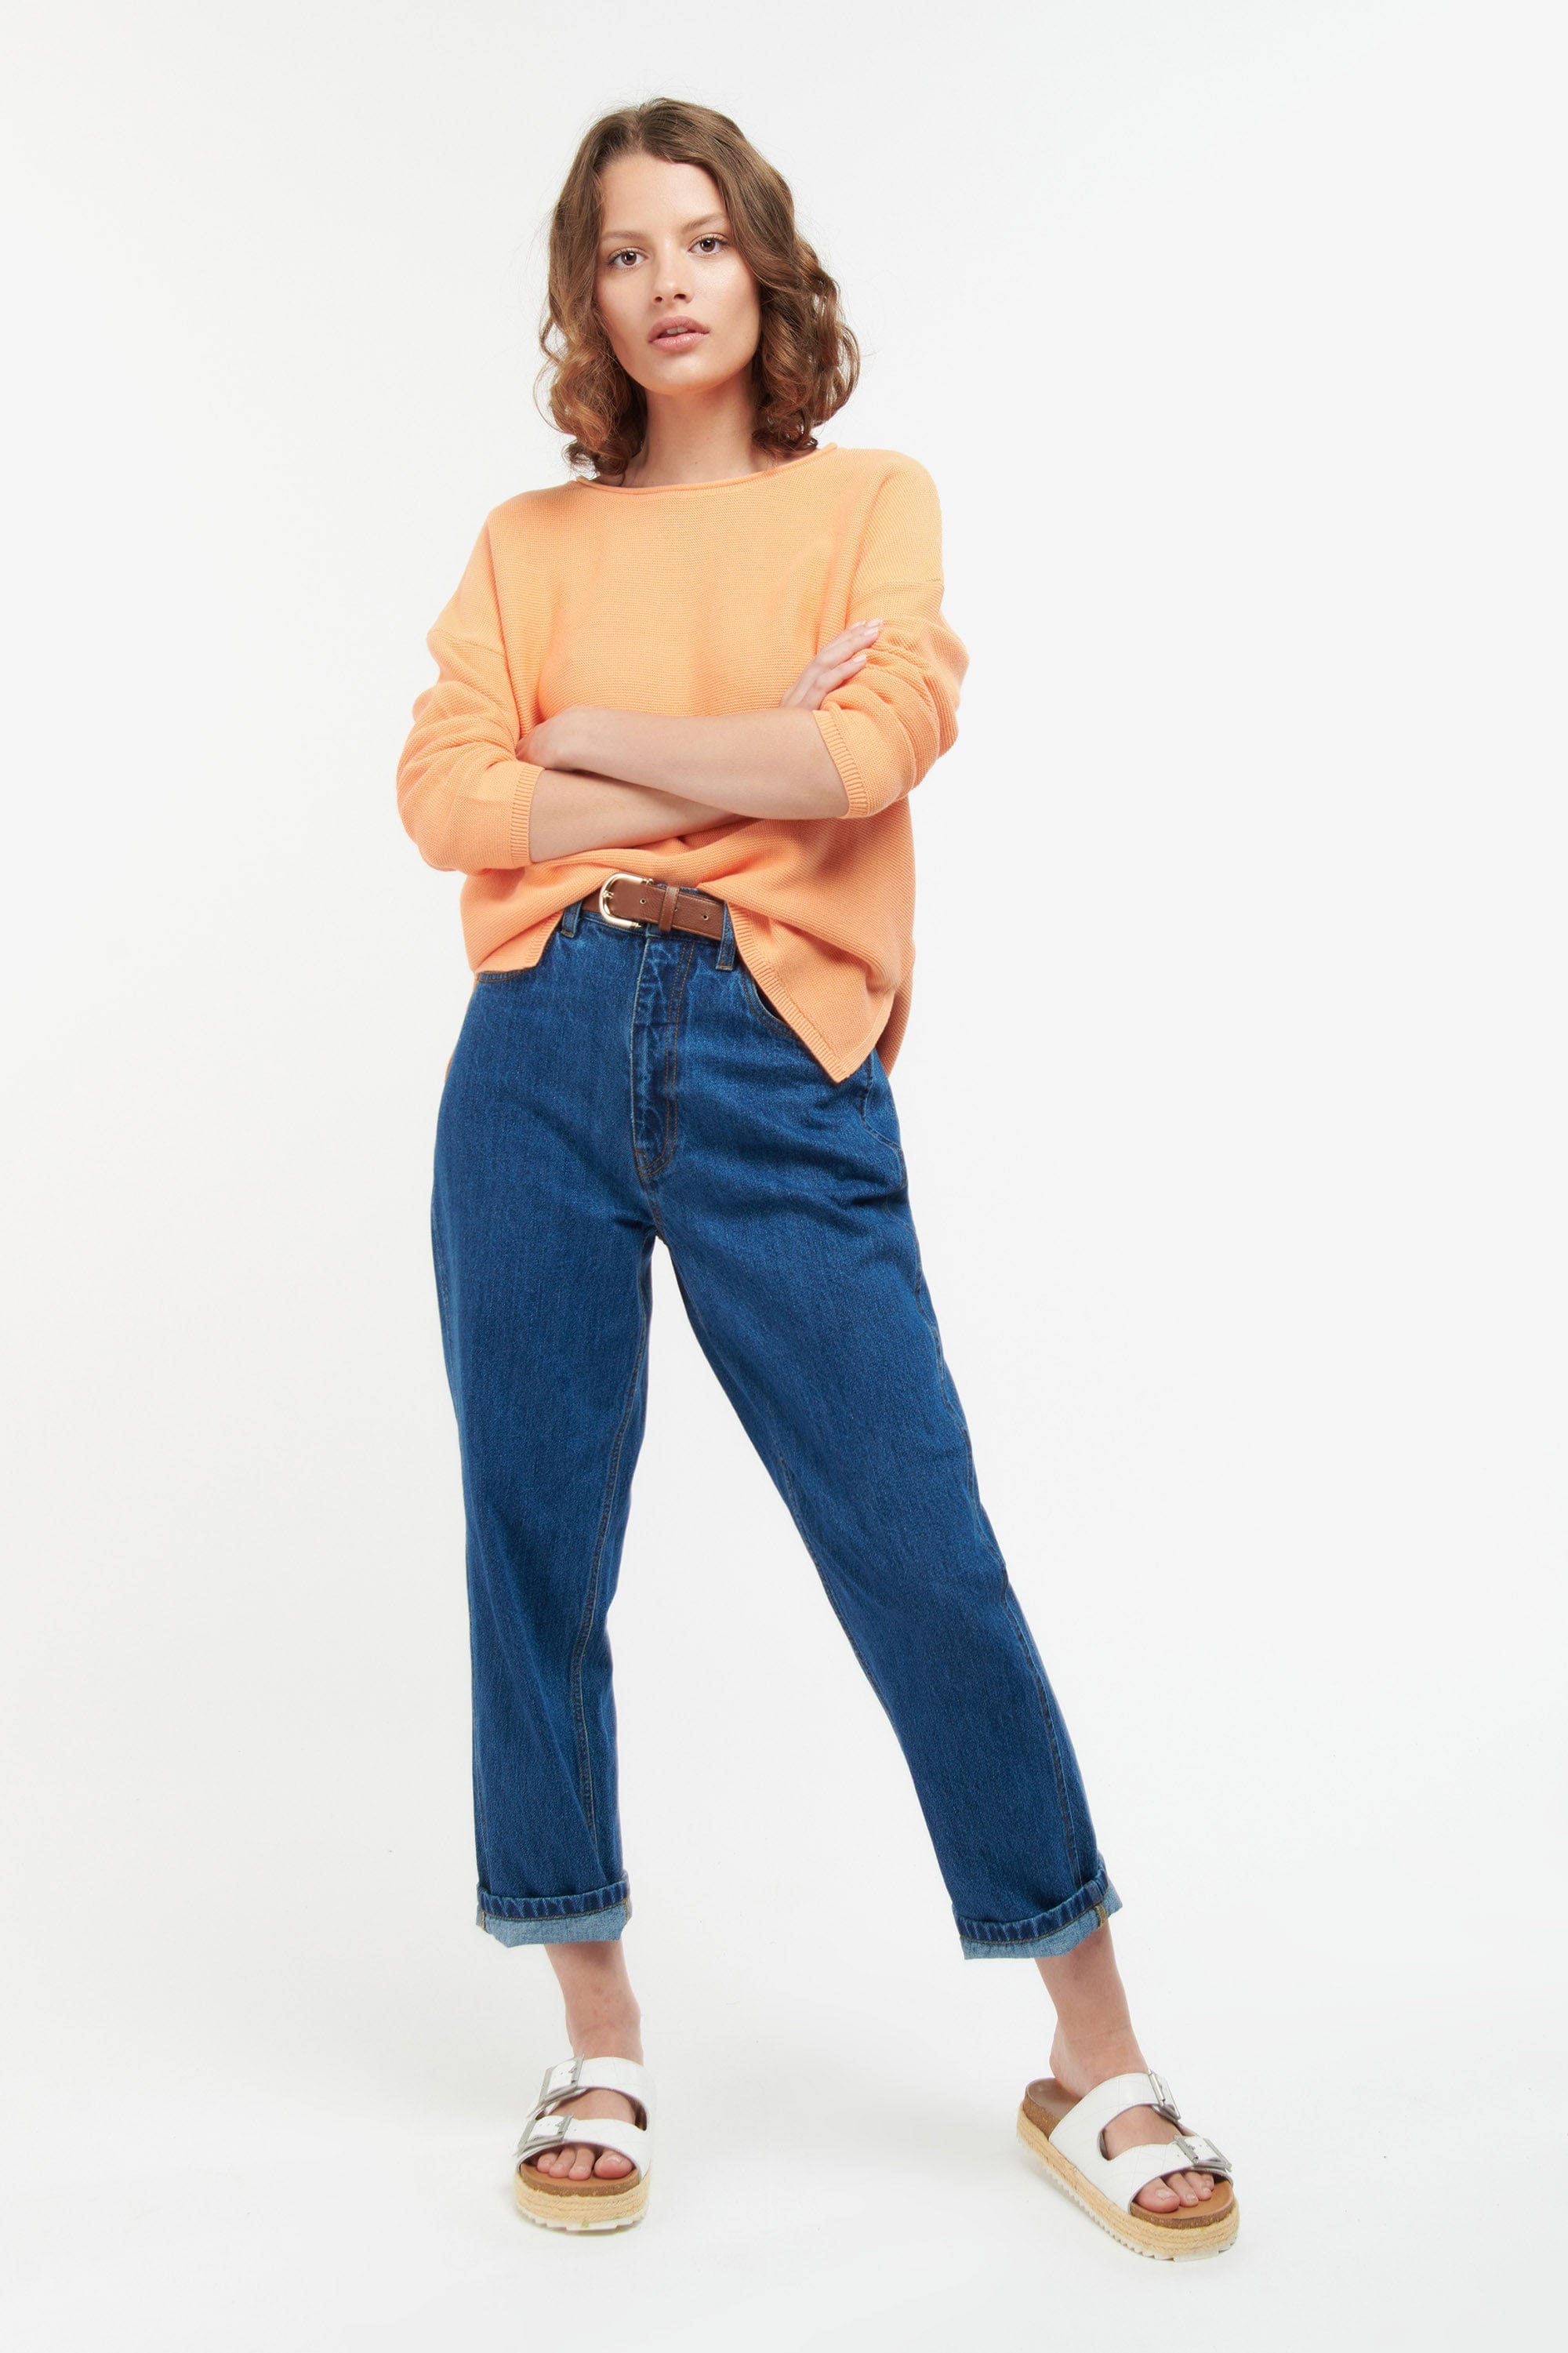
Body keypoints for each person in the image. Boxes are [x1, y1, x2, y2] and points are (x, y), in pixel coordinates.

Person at [396, 98, 1237, 2259]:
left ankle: (1092, 2042)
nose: (664, 282)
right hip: (539, 1052)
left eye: (699, 240)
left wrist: (586, 741)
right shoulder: (526, 541)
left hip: (785, 1053)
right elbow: (444, 799)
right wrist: (713, 757)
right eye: (620, 252)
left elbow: (858, 756)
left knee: (916, 1536)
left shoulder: (872, 501)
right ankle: (594, 2026)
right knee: (533, 1538)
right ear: (585, 298)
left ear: (763, 264)